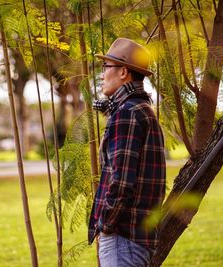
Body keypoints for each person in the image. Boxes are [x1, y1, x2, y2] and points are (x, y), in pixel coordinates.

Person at [88, 38, 166, 267]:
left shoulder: (128, 113)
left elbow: (121, 182)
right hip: (134, 237)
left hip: (123, 238)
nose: (102, 75)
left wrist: (106, 225)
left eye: (106, 68)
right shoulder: (140, 109)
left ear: (123, 72)